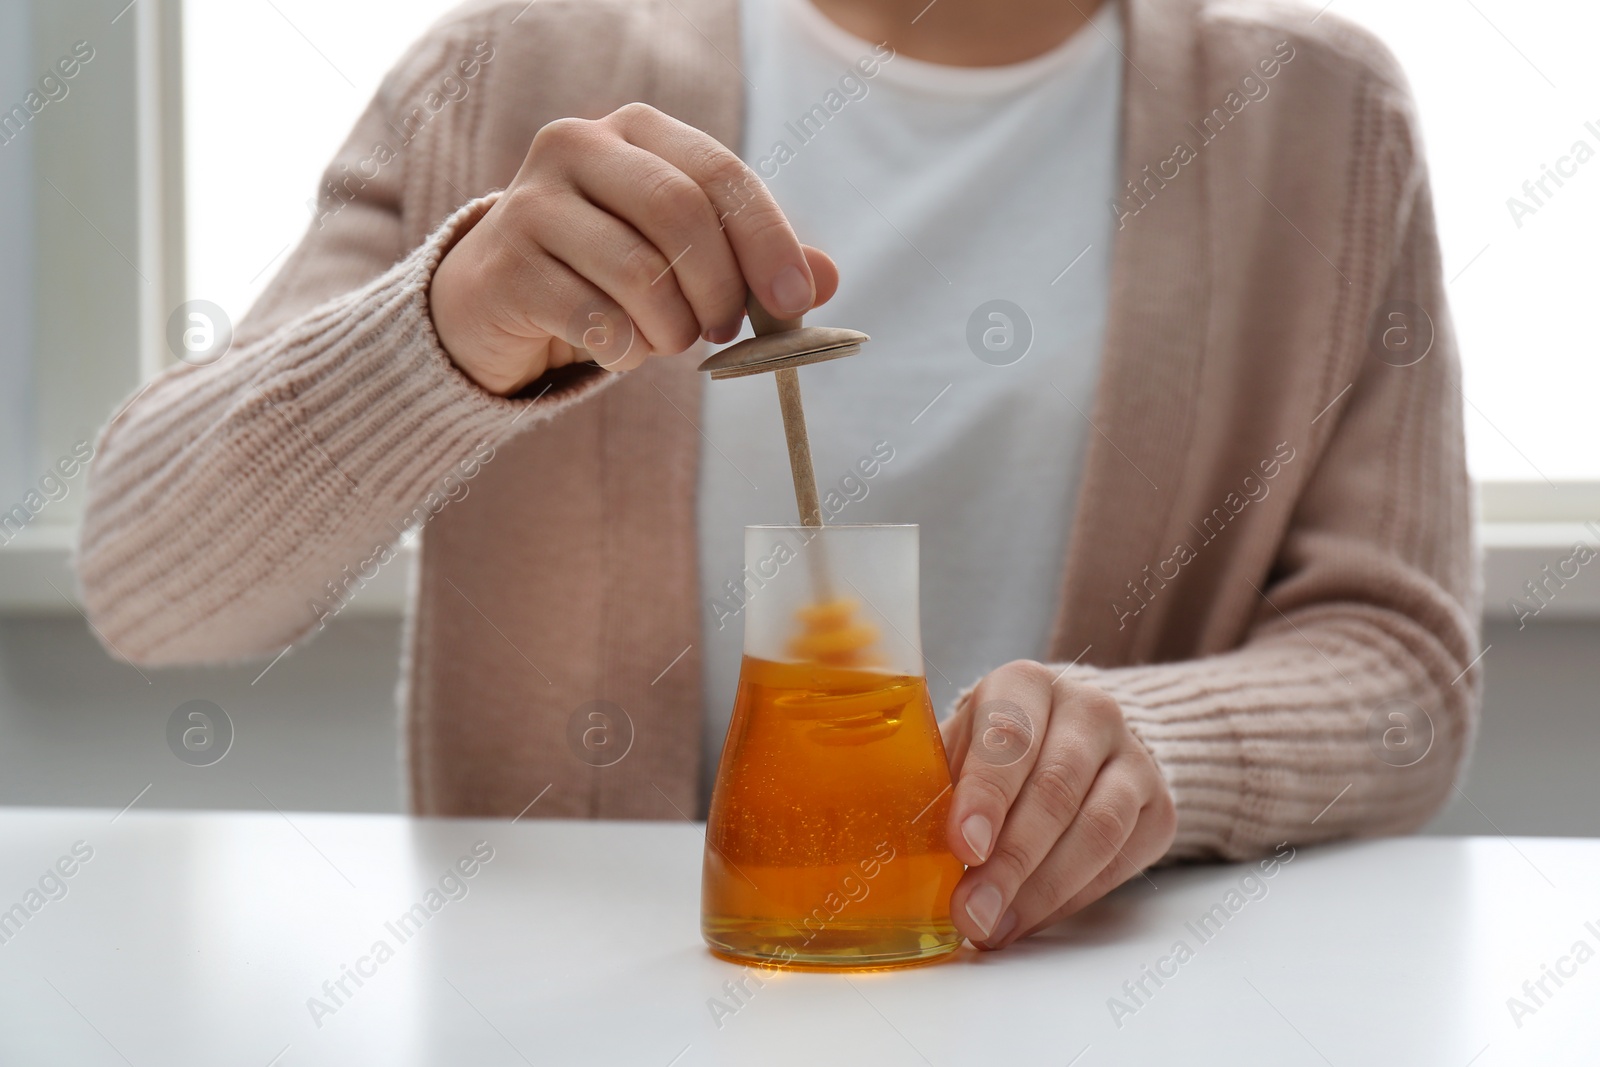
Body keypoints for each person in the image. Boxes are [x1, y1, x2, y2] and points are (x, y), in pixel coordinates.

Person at [77, 0, 1479, 952]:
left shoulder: (1316, 114)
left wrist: (1157, 745)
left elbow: (1401, 659)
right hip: (551, 1028)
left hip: (1059, 1007)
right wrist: (451, 327)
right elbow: (150, 591)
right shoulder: (514, 66)